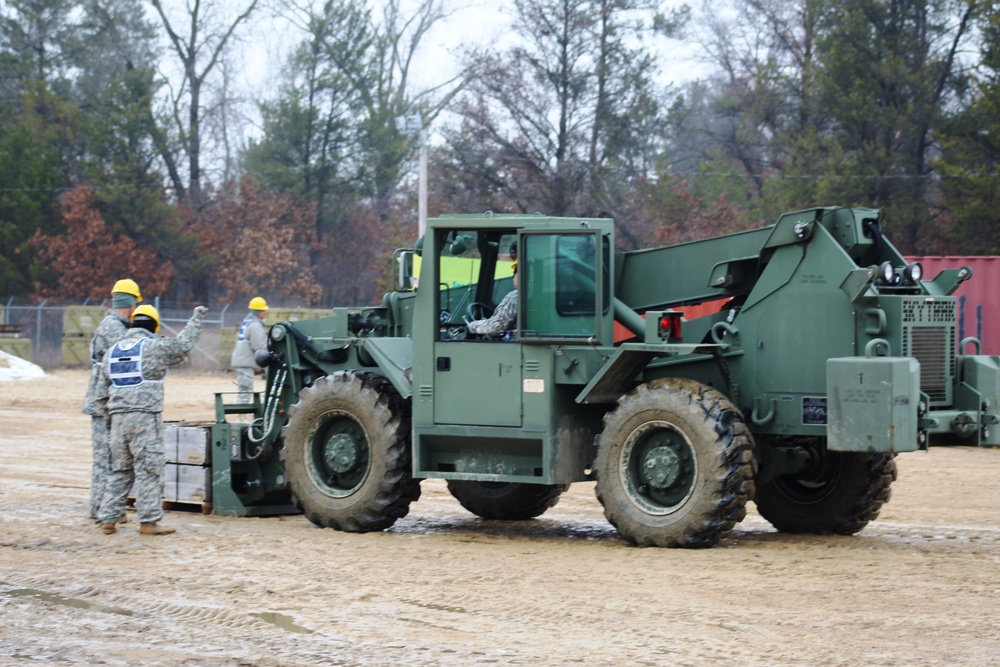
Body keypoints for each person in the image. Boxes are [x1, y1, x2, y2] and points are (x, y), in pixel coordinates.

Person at [96, 304, 208, 536]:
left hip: (118, 420)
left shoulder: (112, 351)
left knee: (120, 470)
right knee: (149, 469)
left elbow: (100, 392)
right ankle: (148, 522)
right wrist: (196, 318)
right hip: (145, 419)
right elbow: (183, 345)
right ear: (154, 327)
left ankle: (108, 518)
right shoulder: (154, 347)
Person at [82, 278, 142, 522]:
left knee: (111, 456)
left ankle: (107, 508)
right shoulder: (114, 329)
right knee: (105, 458)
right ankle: (101, 509)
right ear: (131, 303)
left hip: (107, 400)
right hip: (104, 402)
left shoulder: (114, 325)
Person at [230, 296, 269, 403]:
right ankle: (241, 416)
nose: (266, 312)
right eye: (264, 310)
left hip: (242, 360)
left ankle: (241, 414)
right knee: (245, 390)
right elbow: (259, 346)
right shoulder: (255, 326)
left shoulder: (247, 322)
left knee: (244, 389)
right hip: (245, 362)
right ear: (258, 312)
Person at [467, 261, 518, 338]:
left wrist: (472, 326)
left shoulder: (515, 296)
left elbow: (496, 327)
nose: (513, 277)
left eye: (515, 272)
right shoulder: (536, 296)